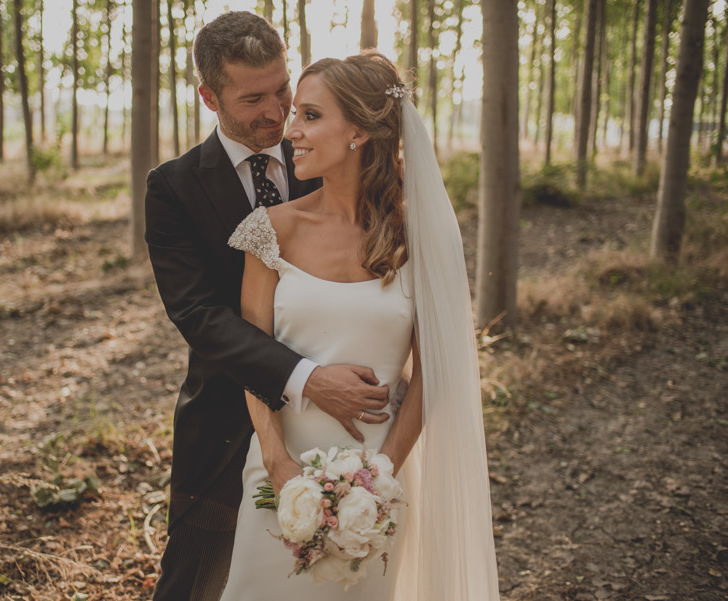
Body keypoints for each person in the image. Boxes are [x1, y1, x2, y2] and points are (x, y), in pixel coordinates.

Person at [219, 52, 500, 600]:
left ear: (359, 132)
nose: (290, 130)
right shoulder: (269, 230)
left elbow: (433, 371)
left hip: (380, 485)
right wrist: (278, 465)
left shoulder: (417, 236)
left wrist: (379, 480)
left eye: (310, 115)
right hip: (282, 472)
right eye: (294, 114)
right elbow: (251, 354)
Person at [144, 12, 393, 601]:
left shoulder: (325, 150)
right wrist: (307, 380)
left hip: (346, 431)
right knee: (196, 580)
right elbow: (200, 316)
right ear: (209, 97)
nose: (278, 112)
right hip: (227, 423)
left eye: (283, 89)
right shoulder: (174, 187)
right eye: (253, 98)